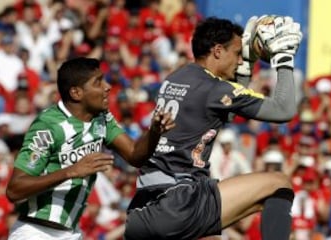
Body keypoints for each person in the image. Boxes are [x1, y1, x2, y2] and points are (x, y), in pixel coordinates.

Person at [124, 16, 303, 240]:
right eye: (237, 54)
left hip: (144, 208)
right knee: (280, 184)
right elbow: (283, 110)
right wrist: (283, 58)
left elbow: (226, 111)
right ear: (218, 51)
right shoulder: (216, 90)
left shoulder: (177, 76)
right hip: (180, 203)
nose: (239, 61)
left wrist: (247, 64)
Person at [5, 57, 175, 240]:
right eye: (98, 82)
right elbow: (15, 190)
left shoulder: (102, 118)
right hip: (36, 232)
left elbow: (135, 155)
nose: (107, 87)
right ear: (76, 93)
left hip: (72, 232)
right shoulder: (48, 125)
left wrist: (155, 131)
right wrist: (71, 171)